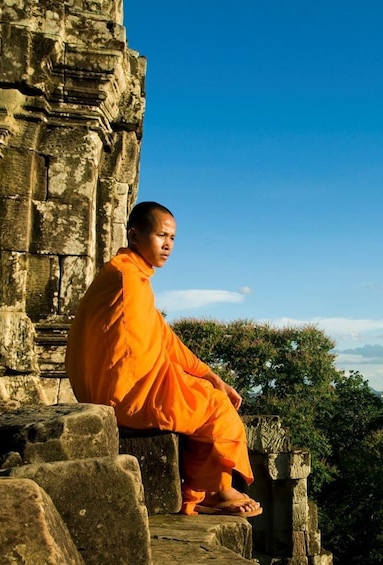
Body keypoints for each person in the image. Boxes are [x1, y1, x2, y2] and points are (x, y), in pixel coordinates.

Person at [65, 201, 261, 518]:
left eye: (172, 237)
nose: (168, 244)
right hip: (124, 393)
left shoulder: (130, 275)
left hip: (114, 386)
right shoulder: (125, 278)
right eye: (160, 235)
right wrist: (202, 384)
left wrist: (211, 376)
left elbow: (162, 339)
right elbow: (135, 351)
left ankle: (201, 489)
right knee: (217, 407)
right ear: (134, 235)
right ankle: (214, 492)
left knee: (207, 393)